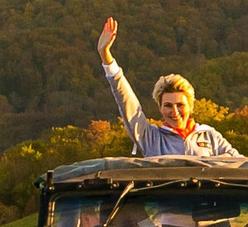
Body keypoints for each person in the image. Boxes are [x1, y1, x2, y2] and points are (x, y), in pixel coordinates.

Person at [96, 17, 236, 158]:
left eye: (180, 105)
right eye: (168, 106)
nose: (174, 112)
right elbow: (129, 106)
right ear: (160, 109)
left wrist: (222, 161)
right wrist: (105, 55)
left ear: (191, 106)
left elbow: (240, 162)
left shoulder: (210, 136)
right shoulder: (150, 138)